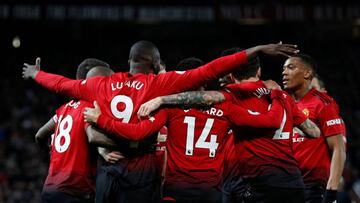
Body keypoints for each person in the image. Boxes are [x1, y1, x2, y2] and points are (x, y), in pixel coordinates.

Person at [22, 41, 299, 203]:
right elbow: (211, 69)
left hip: (108, 172)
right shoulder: (160, 84)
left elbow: (61, 84)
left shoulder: (99, 85)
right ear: (155, 63)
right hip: (144, 173)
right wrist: (257, 49)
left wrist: (36, 73)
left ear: (129, 62)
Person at [83, 57, 287, 203]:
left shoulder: (170, 110)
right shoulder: (226, 108)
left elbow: (136, 133)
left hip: (175, 191)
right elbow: (269, 121)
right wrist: (276, 95)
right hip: (211, 192)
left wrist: (100, 119)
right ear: (205, 83)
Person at [136, 48, 321, 203]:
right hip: (293, 182)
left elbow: (205, 98)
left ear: (231, 75)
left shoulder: (232, 95)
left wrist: (160, 99)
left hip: (255, 183)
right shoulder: (282, 97)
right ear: (258, 72)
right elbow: (314, 132)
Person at [34, 58, 115, 203]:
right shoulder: (90, 106)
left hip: (50, 189)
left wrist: (51, 154)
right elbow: (93, 137)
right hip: (75, 191)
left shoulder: (64, 109)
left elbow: (40, 135)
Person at [282, 54, 346, 203]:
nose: (284, 72)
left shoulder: (323, 104)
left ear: (307, 73)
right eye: (283, 68)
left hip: (312, 188)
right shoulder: (283, 103)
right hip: (286, 187)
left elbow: (339, 148)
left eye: (291, 67)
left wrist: (331, 192)